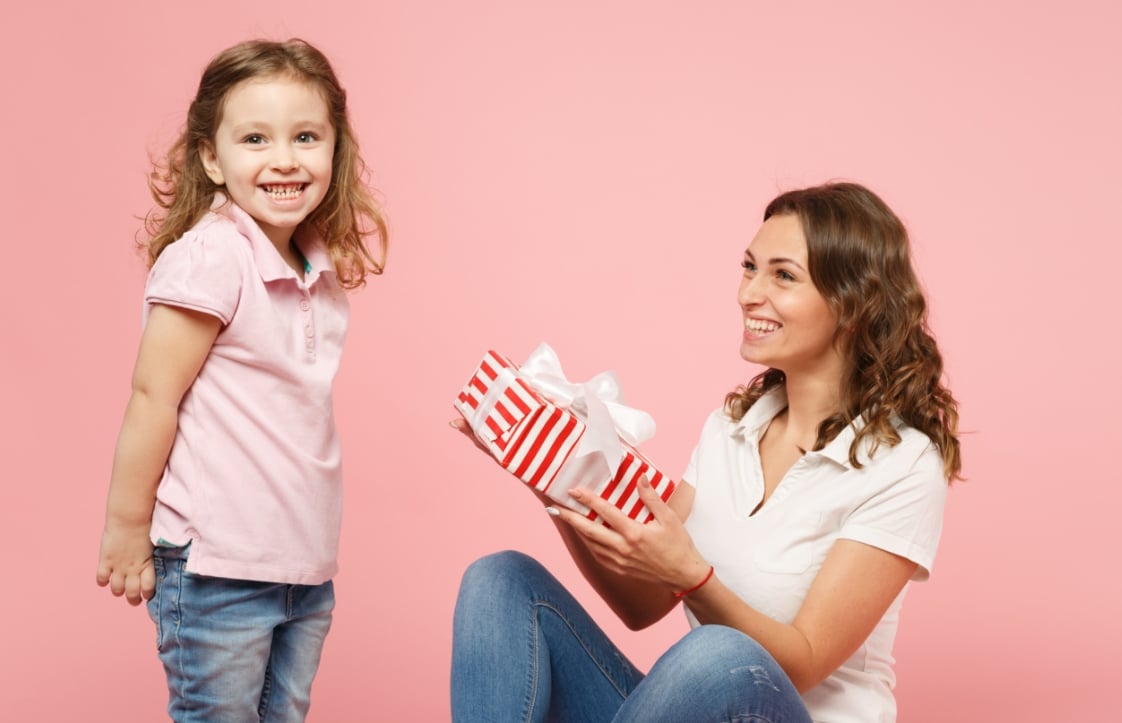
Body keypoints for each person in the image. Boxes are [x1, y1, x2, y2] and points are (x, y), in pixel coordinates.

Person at [450, 181, 961, 722]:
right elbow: (644, 605)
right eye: (749, 267)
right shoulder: (732, 429)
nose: (749, 293)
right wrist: (547, 474)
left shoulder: (903, 464)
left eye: (783, 276)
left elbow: (805, 662)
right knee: (499, 580)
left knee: (717, 653)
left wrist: (695, 577)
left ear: (853, 304)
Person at [95, 38, 387, 722]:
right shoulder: (212, 257)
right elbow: (153, 397)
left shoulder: (317, 267)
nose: (284, 158)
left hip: (302, 567)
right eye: (255, 138)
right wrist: (126, 523)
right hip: (216, 566)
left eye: (306, 136)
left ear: (335, 150)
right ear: (210, 157)